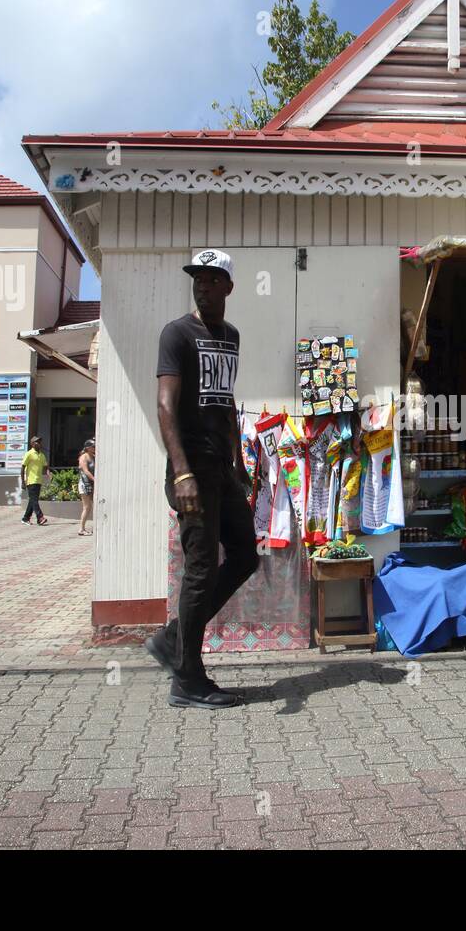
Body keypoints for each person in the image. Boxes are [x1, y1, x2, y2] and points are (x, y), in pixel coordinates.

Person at [146, 249, 258, 710]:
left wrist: (240, 462)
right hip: (191, 470)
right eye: (198, 278)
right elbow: (165, 405)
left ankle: (174, 640)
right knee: (199, 570)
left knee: (246, 556)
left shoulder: (230, 336)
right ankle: (187, 678)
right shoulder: (176, 333)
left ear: (229, 287)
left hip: (221, 468)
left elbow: (226, 400)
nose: (204, 285)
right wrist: (182, 471)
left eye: (213, 279)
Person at [20, 436, 50, 525]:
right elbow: (22, 467)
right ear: (32, 444)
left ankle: (25, 518)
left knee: (33, 500)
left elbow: (45, 466)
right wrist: (23, 481)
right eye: (37, 442)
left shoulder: (42, 455)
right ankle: (40, 517)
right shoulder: (29, 454)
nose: (39, 443)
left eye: (40, 442)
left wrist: (48, 472)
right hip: (30, 480)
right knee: (34, 500)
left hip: (38, 480)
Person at [77, 439, 96, 536]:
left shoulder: (93, 456)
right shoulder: (83, 457)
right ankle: (81, 529)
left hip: (92, 484)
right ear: (88, 447)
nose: (94, 448)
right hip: (85, 484)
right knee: (87, 507)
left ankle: (95, 527)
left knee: (96, 506)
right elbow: (86, 471)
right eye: (93, 446)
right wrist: (95, 480)